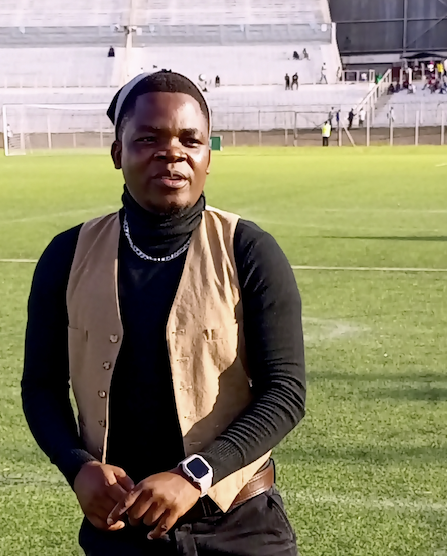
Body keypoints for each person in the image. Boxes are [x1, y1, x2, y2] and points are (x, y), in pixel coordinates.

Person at [21, 69, 306, 556]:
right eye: (148, 138)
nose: (171, 152)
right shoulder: (67, 255)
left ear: (208, 158)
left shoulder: (250, 250)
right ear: (118, 153)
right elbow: (41, 385)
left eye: (190, 140)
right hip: (120, 528)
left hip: (240, 527)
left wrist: (196, 474)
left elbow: (285, 392)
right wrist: (77, 466)